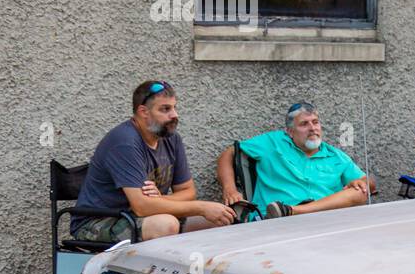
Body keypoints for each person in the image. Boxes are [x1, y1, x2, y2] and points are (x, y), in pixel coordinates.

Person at [71, 81, 235, 241]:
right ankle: (154, 269)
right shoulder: (124, 142)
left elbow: (188, 191)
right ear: (143, 112)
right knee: (166, 224)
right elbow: (141, 207)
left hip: (144, 214)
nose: (174, 115)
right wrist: (201, 207)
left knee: (220, 220)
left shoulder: (171, 139)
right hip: (99, 222)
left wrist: (158, 200)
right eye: (165, 109)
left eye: (174, 107)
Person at [217, 102, 370, 219]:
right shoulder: (273, 142)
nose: (312, 128)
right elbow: (228, 153)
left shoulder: (335, 155)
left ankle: (292, 211)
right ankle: (290, 211)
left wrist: (361, 182)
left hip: (324, 218)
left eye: (315, 122)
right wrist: (229, 189)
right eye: (304, 124)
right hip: (273, 220)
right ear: (290, 132)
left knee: (360, 192)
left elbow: (368, 182)